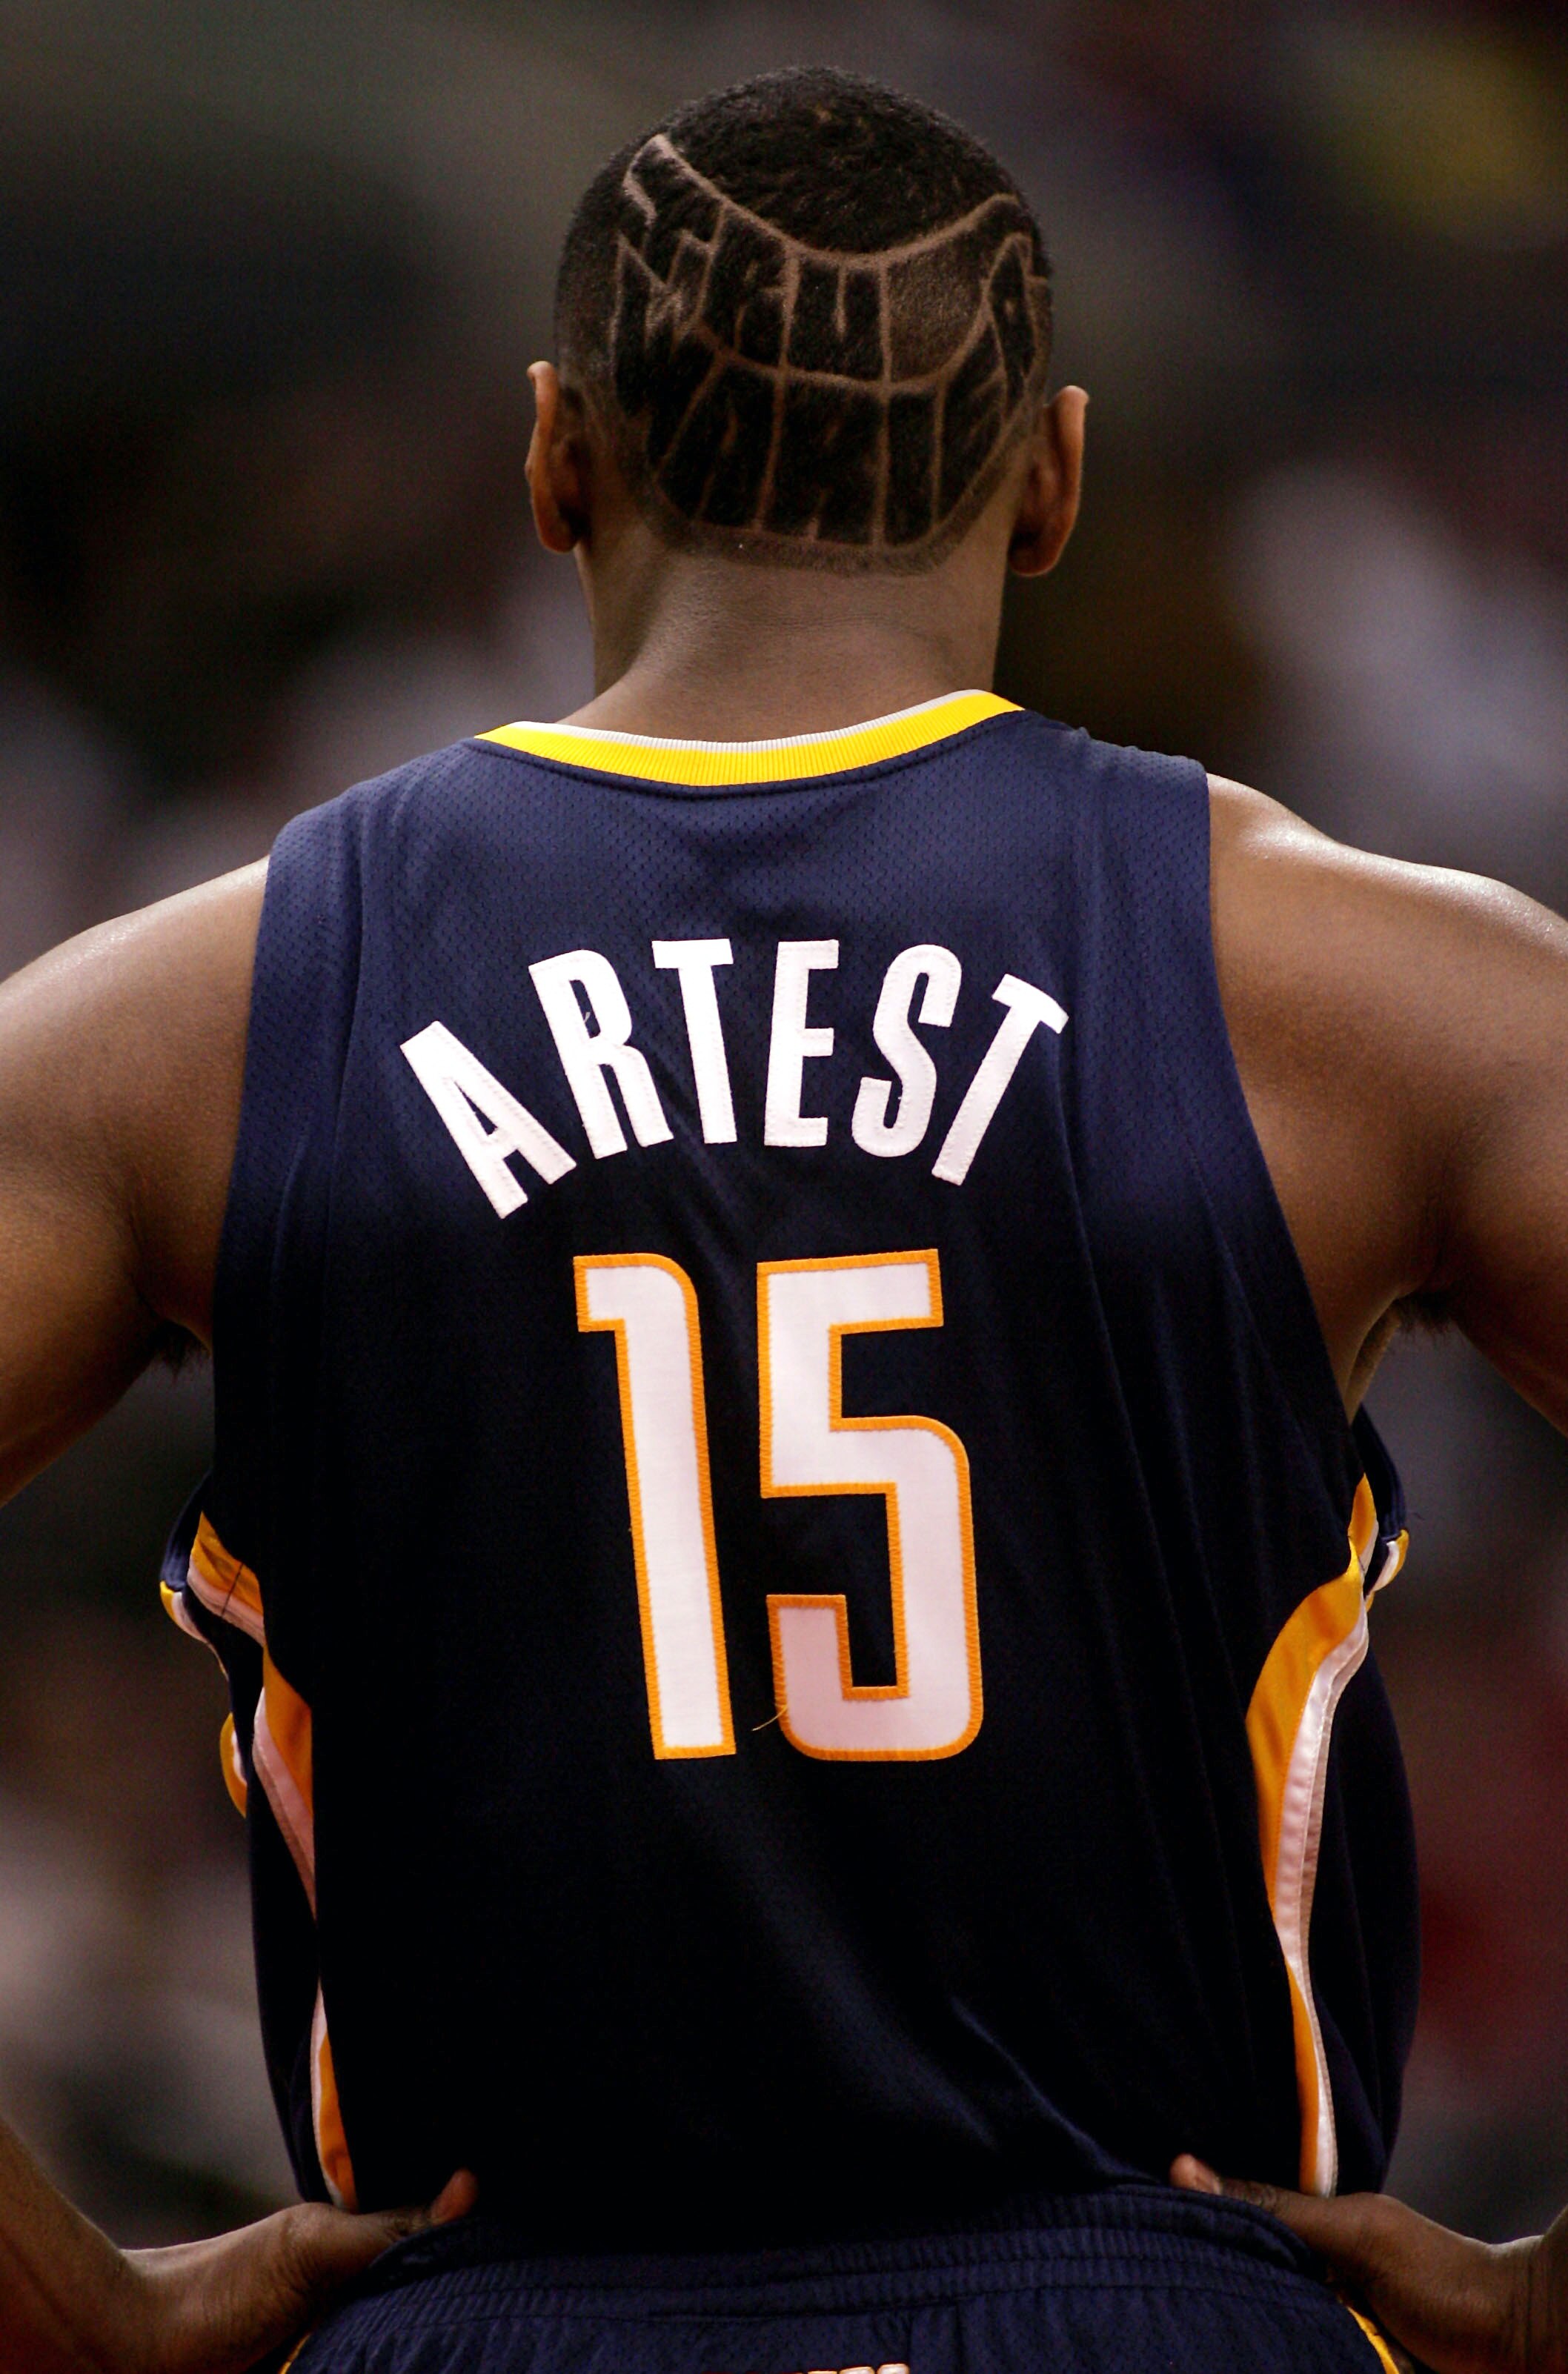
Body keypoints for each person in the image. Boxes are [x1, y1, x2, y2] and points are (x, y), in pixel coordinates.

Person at [4, 63, 1568, 2374]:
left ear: (553, 458)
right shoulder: (1380, 993)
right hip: (1143, 2306)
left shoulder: (188, 1017)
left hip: (500, 2317)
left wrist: (69, 2313)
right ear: (1048, 484)